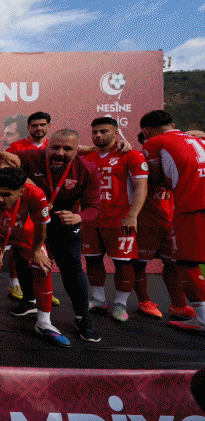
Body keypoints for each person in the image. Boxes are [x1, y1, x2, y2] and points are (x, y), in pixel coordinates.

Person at [13, 129, 102, 342]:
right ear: (47, 146)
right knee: (24, 260)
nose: (60, 153)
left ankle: (82, 318)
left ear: (77, 150)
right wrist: (22, 178)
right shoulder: (29, 157)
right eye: (55, 147)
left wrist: (79, 217)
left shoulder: (87, 169)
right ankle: (29, 301)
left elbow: (95, 207)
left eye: (67, 149)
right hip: (32, 218)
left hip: (65, 219)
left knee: (72, 268)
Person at [0, 167, 69, 346]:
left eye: (6, 194)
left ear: (21, 191)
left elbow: (41, 225)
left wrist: (37, 252)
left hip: (26, 233)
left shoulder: (36, 194)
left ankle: (44, 323)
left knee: (42, 267)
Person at [140, 110, 205, 331]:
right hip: (193, 203)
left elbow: (156, 178)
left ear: (146, 131)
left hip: (193, 205)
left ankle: (203, 319)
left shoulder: (154, 142)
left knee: (185, 263)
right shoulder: (196, 138)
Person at [83, 117, 149, 322]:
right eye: (95, 132)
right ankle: (98, 299)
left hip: (120, 220)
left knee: (123, 262)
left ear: (115, 132)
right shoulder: (87, 157)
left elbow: (141, 187)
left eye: (103, 131)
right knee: (92, 259)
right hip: (91, 219)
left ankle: (120, 304)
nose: (98, 135)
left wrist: (132, 216)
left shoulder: (131, 155)